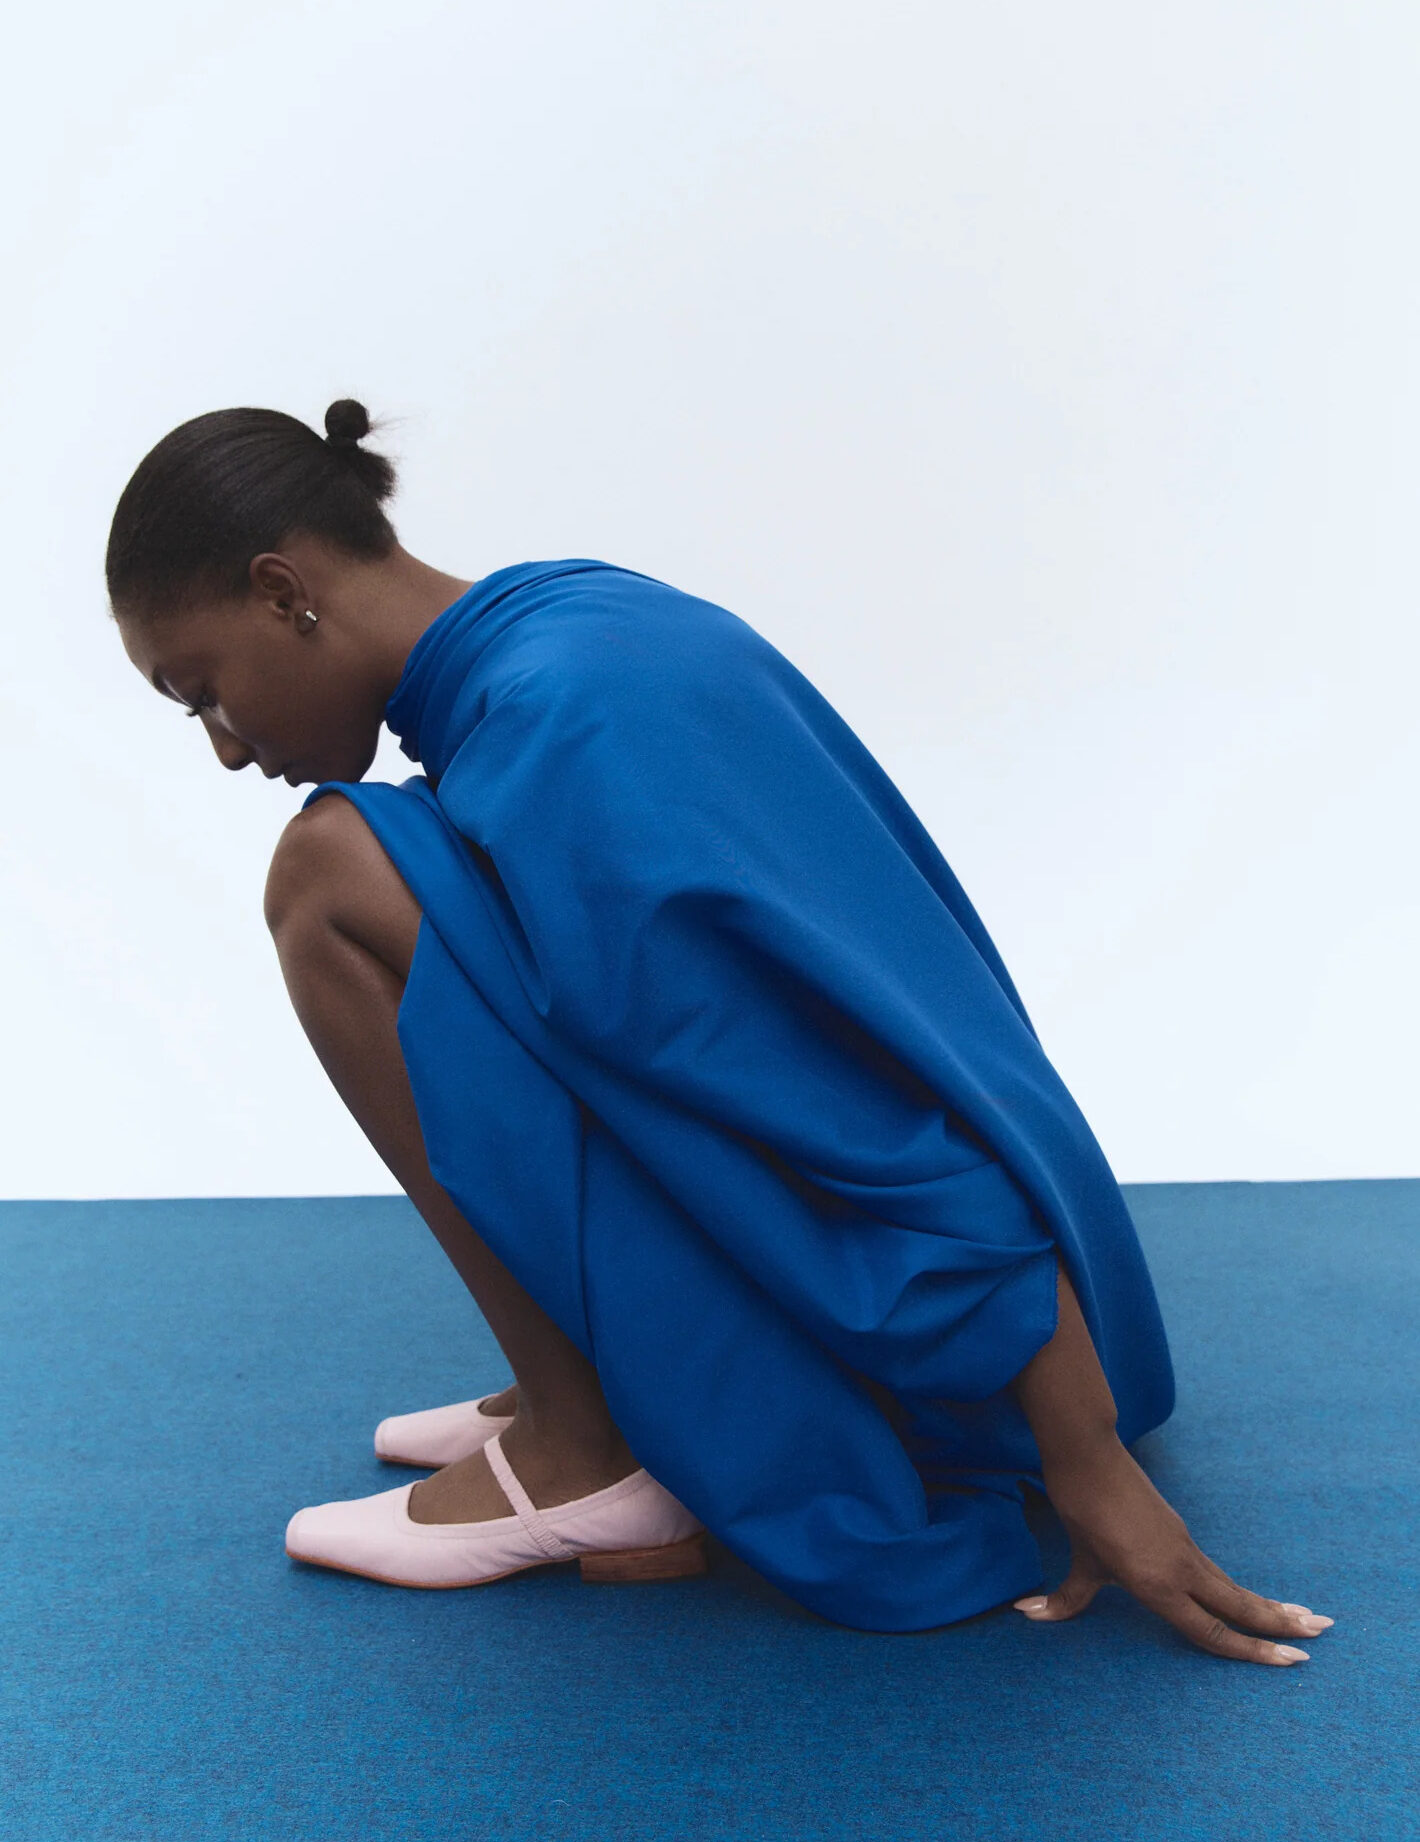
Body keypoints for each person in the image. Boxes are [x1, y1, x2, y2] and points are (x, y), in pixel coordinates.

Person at [106, 399, 1331, 1663]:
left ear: (281, 592)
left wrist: (1081, 1456)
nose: (222, 749)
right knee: (422, 885)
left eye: (204, 691)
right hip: (1074, 1280)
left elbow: (853, 1104)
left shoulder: (553, 736)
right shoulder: (567, 619)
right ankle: (588, 1388)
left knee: (327, 872)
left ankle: (583, 1449)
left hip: (997, 1365)